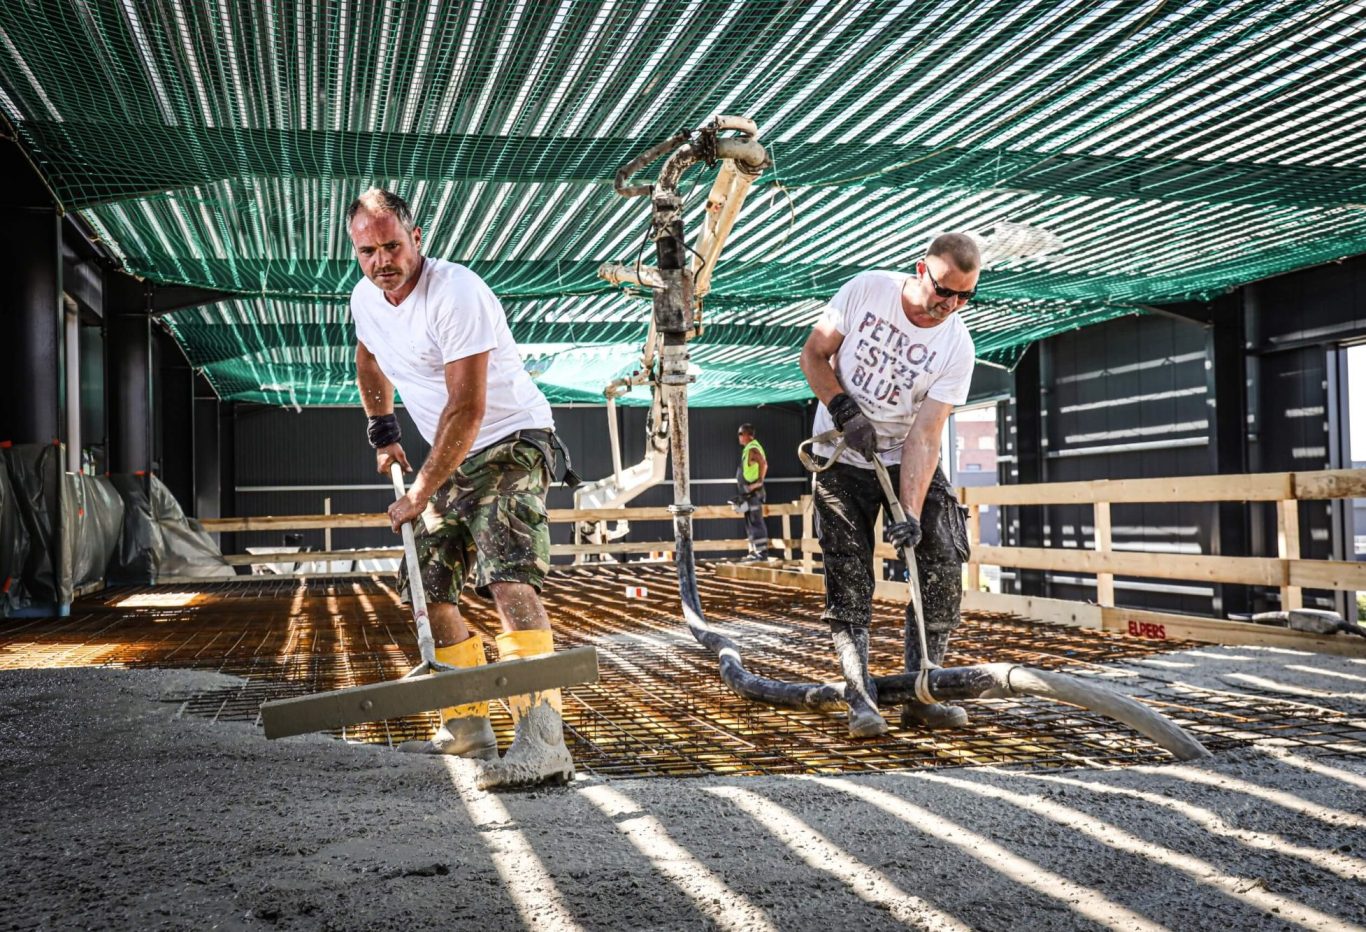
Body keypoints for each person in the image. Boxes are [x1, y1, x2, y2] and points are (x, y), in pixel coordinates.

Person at [348, 187, 577, 789]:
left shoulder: (456, 292)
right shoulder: (366, 300)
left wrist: (420, 490)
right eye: (368, 251)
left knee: (507, 571)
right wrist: (383, 432)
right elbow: (369, 363)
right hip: (455, 453)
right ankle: (468, 726)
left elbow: (467, 407)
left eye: (392, 245)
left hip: (512, 436)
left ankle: (543, 738)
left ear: (416, 238)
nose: (382, 262)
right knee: (426, 579)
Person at [799, 233, 980, 737]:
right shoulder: (867, 291)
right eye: (945, 290)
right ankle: (860, 696)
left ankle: (925, 690)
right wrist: (843, 408)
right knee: (849, 572)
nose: (951, 304)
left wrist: (911, 514)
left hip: (903, 455)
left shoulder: (956, 346)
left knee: (942, 556)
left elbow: (926, 434)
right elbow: (814, 354)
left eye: (964, 296)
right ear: (921, 270)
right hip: (839, 452)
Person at [735, 423, 769, 561]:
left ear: (748, 435)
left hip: (753, 492)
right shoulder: (748, 449)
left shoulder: (753, 448)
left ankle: (762, 553)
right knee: (750, 523)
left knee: (756, 522)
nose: (739, 437)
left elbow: (764, 463)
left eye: (740, 434)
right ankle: (754, 552)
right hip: (748, 494)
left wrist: (759, 482)